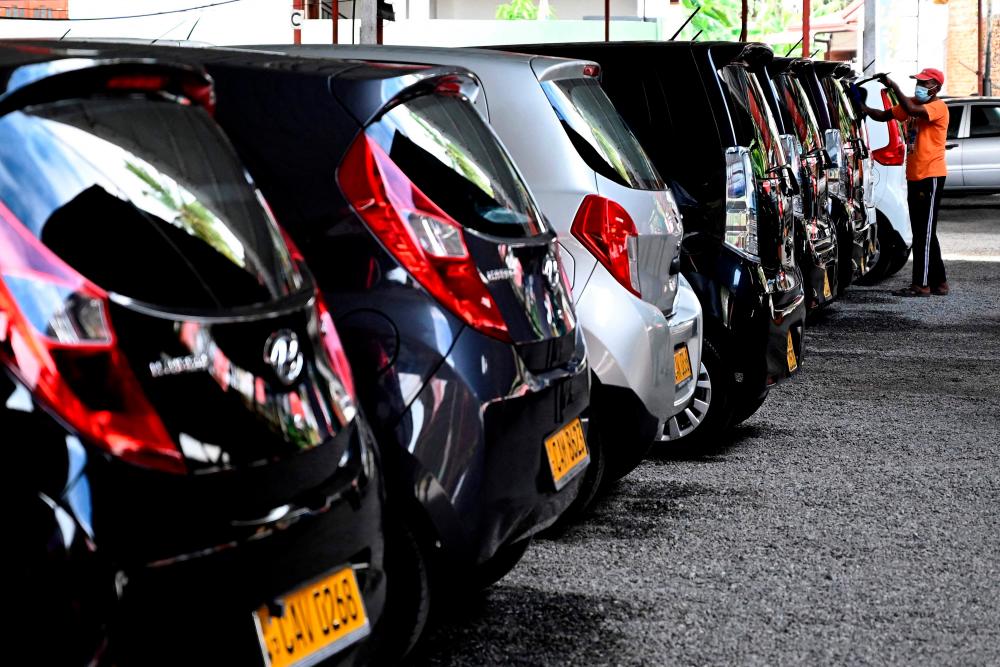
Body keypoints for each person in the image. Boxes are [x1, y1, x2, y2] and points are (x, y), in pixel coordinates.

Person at [861, 68, 949, 297]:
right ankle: (940, 283)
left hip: (930, 176)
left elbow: (911, 109)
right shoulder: (911, 105)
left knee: (924, 234)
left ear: (936, 88)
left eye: (924, 83)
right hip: (916, 176)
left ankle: (921, 285)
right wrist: (863, 108)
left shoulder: (937, 107)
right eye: (918, 82)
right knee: (925, 231)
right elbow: (884, 115)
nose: (919, 86)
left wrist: (892, 86)